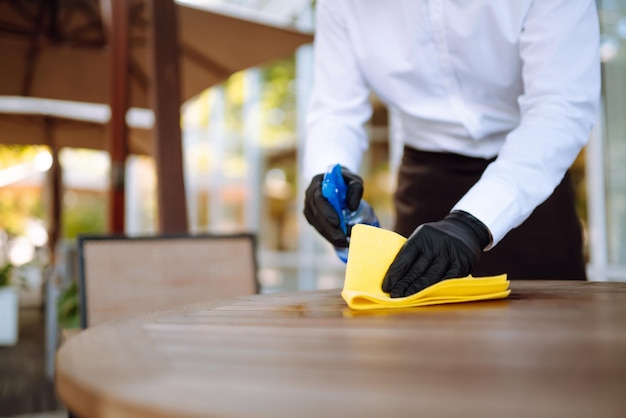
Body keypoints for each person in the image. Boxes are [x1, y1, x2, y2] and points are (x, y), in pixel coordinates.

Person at [302, 0, 601, 298]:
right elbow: (335, 110)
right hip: (424, 187)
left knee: (550, 335)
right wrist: (327, 173)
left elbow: (560, 107)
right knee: (418, 338)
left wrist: (474, 219)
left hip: (530, 182)